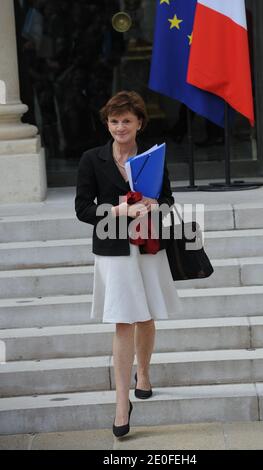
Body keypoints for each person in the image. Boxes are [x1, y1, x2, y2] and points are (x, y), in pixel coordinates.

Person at [75, 90, 182, 438]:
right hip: (113, 247)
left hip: (149, 243)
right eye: (113, 120)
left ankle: (145, 374)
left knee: (147, 315)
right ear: (107, 123)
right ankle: (122, 402)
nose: (119, 127)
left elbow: (167, 199)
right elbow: (82, 209)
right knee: (123, 320)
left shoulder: (153, 157)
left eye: (126, 121)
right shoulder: (92, 158)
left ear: (139, 123)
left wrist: (154, 203)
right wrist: (119, 210)